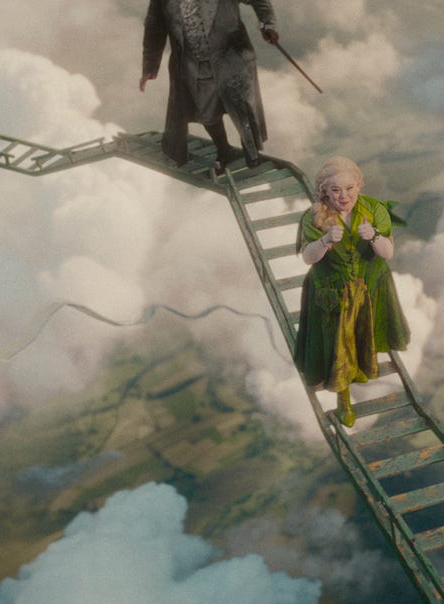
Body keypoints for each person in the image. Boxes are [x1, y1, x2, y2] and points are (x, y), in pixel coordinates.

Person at [292, 157, 410, 427]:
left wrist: (374, 236)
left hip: (370, 286)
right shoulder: (313, 216)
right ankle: (343, 400)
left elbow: (387, 253)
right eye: (335, 190)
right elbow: (308, 258)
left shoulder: (374, 209)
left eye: (349, 188)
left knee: (363, 332)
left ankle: (363, 369)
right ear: (324, 190)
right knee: (338, 344)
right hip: (333, 290)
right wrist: (325, 240)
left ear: (359, 185)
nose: (343, 196)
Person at [140, 0, 277, 173]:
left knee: (242, 106)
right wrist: (150, 67)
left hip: (232, 55)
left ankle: (252, 153)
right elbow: (154, 27)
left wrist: (268, 25)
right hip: (194, 62)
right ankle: (224, 150)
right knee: (206, 111)